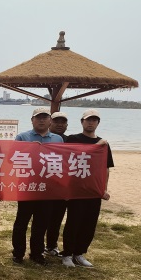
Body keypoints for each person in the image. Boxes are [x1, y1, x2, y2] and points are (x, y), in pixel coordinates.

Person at [11, 107, 63, 265]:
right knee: (21, 222)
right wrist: (28, 149)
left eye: (44, 117)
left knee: (41, 223)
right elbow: (11, 159)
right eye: (38, 117)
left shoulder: (58, 139)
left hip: (47, 188)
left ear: (50, 121)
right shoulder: (22, 137)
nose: (41, 120)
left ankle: (37, 253)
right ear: (32, 120)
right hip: (27, 187)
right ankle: (18, 253)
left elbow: (62, 162)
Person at [61, 109, 113, 268]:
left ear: (98, 123)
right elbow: (66, 159)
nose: (91, 123)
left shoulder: (104, 144)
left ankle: (79, 253)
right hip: (76, 189)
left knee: (89, 224)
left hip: (93, 190)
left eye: (94, 120)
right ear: (82, 122)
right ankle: (67, 254)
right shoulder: (73, 139)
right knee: (73, 222)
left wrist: (103, 189)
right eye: (88, 120)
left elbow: (105, 168)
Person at [44, 111, 69, 257]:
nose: (60, 124)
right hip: (44, 185)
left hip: (61, 187)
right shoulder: (43, 139)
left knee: (57, 217)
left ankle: (51, 245)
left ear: (67, 125)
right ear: (50, 123)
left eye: (63, 122)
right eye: (56, 121)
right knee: (42, 218)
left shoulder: (71, 141)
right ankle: (38, 247)